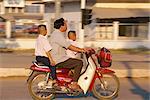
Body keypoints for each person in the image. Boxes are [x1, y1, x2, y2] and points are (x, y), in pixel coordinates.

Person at [50, 18, 86, 90]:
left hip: (59, 57)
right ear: (61, 26)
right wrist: (81, 50)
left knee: (73, 62)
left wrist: (81, 50)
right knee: (79, 63)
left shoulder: (57, 34)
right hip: (59, 59)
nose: (67, 26)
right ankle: (74, 84)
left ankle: (68, 81)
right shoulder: (58, 35)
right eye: (65, 24)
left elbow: (69, 46)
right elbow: (69, 46)